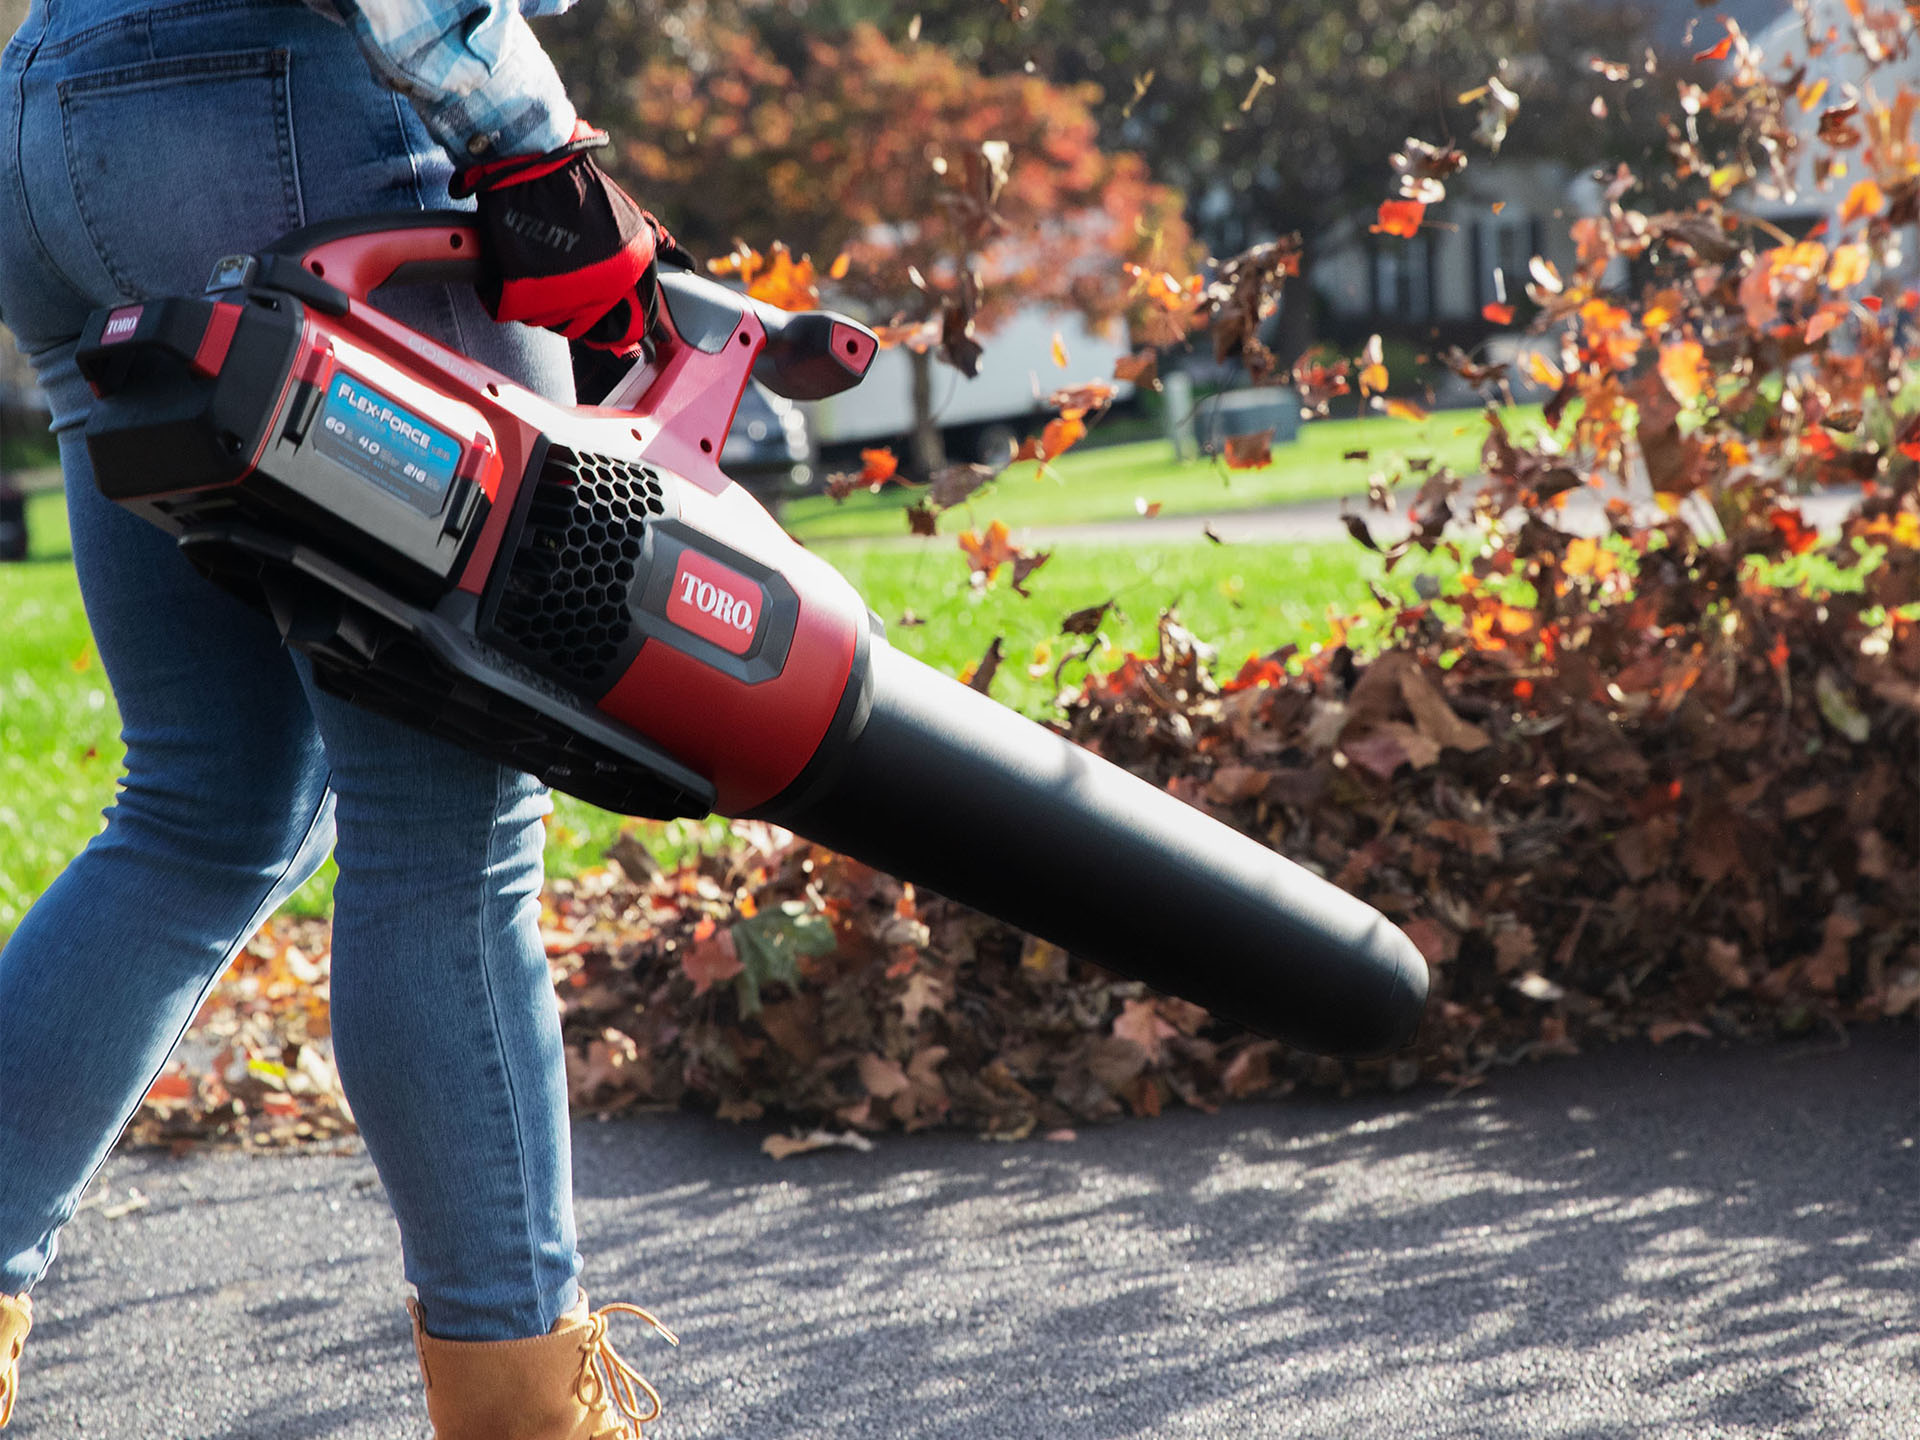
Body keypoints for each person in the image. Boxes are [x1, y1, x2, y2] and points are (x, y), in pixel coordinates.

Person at [0, 0, 684, 1433]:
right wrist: (524, 137)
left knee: (206, 807)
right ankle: (526, 1412)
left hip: (57, 126)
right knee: (450, 822)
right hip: (290, 116)